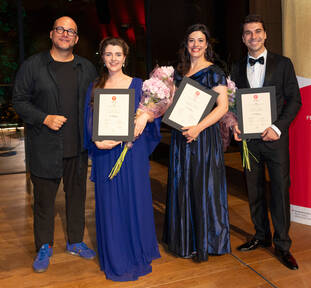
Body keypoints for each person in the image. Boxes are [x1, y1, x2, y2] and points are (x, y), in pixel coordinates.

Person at [12, 16, 97, 273]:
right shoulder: (33, 66)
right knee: (44, 202)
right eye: (60, 29)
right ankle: (44, 246)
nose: (65, 34)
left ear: (76, 38)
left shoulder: (87, 68)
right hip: (45, 148)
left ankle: (75, 241)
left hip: (78, 149)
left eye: (70, 31)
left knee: (77, 198)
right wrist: (44, 118)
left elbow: (97, 103)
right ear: (51, 34)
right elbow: (19, 101)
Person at [84, 37, 161, 281]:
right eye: (109, 54)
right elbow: (88, 118)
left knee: (134, 202)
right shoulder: (95, 86)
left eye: (118, 54)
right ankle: (115, 258)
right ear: (102, 57)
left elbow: (152, 116)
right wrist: (96, 140)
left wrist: (145, 118)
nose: (113, 58)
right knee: (110, 206)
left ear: (125, 57)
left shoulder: (140, 86)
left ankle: (137, 254)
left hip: (132, 154)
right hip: (105, 153)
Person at [231, 14, 302, 270]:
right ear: (243, 38)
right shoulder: (236, 68)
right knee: (255, 190)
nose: (253, 36)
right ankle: (261, 235)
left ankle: (283, 246)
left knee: (280, 193)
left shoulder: (283, 64)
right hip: (250, 142)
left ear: (265, 34)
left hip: (275, 140)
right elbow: (233, 103)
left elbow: (295, 100)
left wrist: (277, 127)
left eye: (258, 31)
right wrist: (234, 123)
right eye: (248, 33)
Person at [162, 24, 231, 262]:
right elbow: (172, 105)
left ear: (207, 45)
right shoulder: (179, 73)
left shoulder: (215, 72)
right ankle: (184, 241)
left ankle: (206, 241)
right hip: (181, 137)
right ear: (186, 44)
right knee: (183, 184)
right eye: (192, 40)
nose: (196, 45)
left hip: (203, 137)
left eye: (200, 40)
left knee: (203, 187)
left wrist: (198, 128)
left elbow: (222, 107)